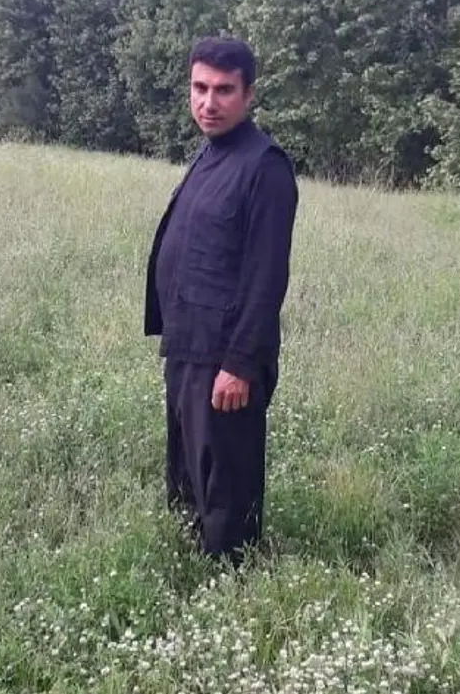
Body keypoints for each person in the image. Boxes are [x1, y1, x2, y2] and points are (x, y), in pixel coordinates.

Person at [144, 36, 299, 566]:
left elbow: (267, 277)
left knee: (227, 479)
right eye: (200, 88)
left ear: (249, 94)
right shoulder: (210, 154)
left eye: (224, 90)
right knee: (188, 472)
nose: (208, 102)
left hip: (225, 356)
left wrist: (240, 365)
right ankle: (193, 567)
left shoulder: (265, 167)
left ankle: (233, 578)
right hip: (188, 342)